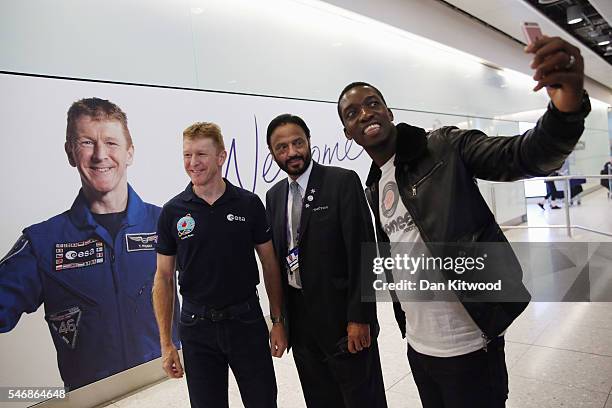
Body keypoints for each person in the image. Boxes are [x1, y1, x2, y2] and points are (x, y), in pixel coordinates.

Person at [337, 35, 589, 408]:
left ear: (389, 112)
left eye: (372, 104)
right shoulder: (375, 184)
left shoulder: (444, 147)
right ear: (348, 133)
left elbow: (522, 155)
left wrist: (566, 106)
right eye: (352, 113)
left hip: (469, 341)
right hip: (419, 347)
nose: (365, 114)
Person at [0, 97, 179, 390]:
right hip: (95, 400)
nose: (100, 155)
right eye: (86, 142)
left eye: (111, 143)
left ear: (130, 153)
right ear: (70, 153)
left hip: (170, 391)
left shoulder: (166, 223)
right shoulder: (43, 243)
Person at [153, 122, 287, 408]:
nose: (193, 163)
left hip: (246, 322)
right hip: (196, 328)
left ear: (221, 156)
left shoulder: (248, 204)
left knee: (263, 402)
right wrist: (167, 344)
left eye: (201, 154)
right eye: (187, 155)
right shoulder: (172, 212)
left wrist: (278, 321)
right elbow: (163, 278)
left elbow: (270, 264)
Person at [265, 114, 387, 407]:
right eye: (282, 147)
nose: (292, 152)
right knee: (319, 398)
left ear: (309, 141)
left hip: (343, 319)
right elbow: (279, 264)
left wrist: (360, 317)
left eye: (297, 142)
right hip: (302, 323)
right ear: (273, 154)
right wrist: (279, 320)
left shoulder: (341, 182)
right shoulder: (274, 196)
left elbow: (365, 252)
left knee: (362, 399)